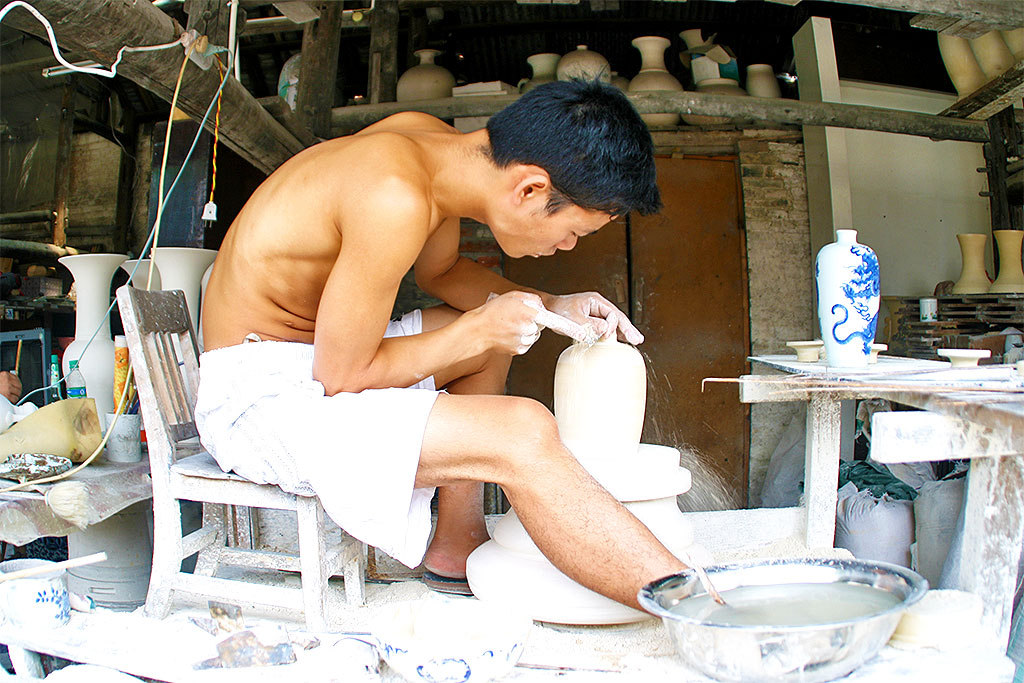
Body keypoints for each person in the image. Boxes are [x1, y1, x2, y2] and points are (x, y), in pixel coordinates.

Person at [197, 79, 687, 610]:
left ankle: (457, 542)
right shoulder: (392, 196)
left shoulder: (431, 148)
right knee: (521, 431)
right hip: (258, 396)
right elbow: (339, 378)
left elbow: (443, 271)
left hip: (312, 357)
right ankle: (690, 605)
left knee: (506, 327)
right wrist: (476, 330)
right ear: (529, 189)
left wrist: (550, 303)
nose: (564, 246)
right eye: (573, 233)